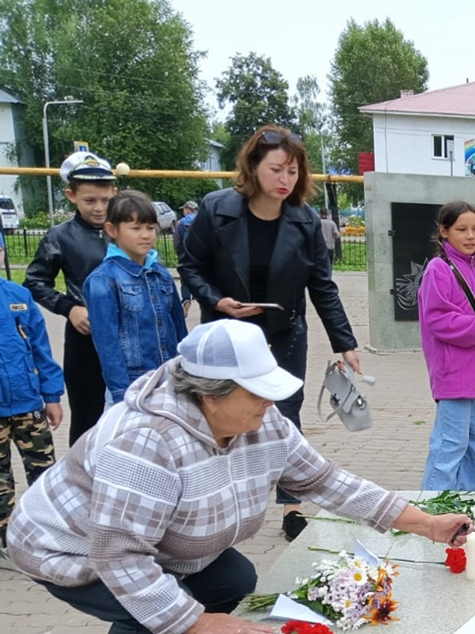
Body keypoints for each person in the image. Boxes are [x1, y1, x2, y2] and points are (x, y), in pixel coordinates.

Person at [7, 319, 472, 634]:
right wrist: (195, 621)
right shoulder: (144, 441)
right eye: (256, 392)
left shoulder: (264, 424)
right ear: (210, 394)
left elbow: (330, 483)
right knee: (151, 606)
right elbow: (121, 556)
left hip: (160, 543)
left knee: (233, 580)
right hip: (71, 547)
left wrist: (426, 524)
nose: (270, 403)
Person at [179, 125, 361, 541]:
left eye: (293, 172)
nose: (285, 180)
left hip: (284, 333)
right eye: (277, 169)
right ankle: (212, 502)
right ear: (253, 167)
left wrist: (345, 342)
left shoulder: (305, 221)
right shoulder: (216, 209)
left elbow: (322, 285)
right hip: (227, 333)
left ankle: (291, 506)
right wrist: (217, 299)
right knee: (219, 415)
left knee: (285, 415)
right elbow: (191, 267)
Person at [24, 150, 115, 446]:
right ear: (71, 195)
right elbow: (35, 281)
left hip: (130, 337)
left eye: (106, 200)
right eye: (90, 200)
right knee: (87, 419)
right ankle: (81, 482)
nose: (99, 208)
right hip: (85, 338)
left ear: (115, 192)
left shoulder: (127, 230)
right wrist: (69, 308)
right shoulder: (60, 237)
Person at [419, 201, 475, 491]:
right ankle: (431, 512)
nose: (470, 236)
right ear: (444, 231)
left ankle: (469, 508)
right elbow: (440, 322)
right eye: (461, 229)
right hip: (454, 377)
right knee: (449, 448)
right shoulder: (438, 270)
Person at [83, 190, 187, 404]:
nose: (146, 235)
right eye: (136, 228)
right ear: (112, 230)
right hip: (132, 385)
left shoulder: (161, 272)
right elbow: (107, 343)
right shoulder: (104, 279)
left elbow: (179, 328)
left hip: (169, 380)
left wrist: (185, 374)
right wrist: (122, 394)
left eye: (150, 228)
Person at [0, 275, 63, 564]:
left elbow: (41, 349)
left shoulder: (19, 296)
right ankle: (5, 542)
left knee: (44, 474)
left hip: (28, 404)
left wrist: (51, 396)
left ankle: (46, 535)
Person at [172, 200, 198, 314]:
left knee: (185, 281)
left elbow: (177, 242)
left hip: (185, 257)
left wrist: (180, 254)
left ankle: (186, 301)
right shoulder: (201, 220)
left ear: (188, 209)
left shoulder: (180, 224)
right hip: (200, 257)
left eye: (184, 209)